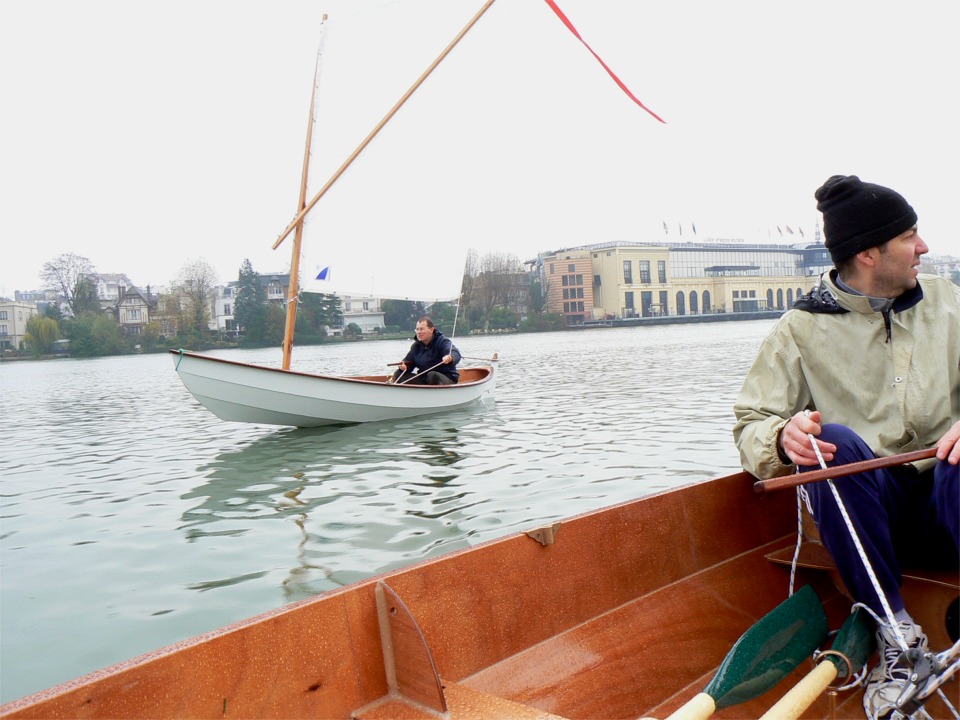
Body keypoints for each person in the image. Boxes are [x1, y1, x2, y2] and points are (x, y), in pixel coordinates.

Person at [732, 175, 960, 720]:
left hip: (952, 501)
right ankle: (898, 639)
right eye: (909, 236)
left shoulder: (952, 303)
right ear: (866, 253)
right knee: (825, 441)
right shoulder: (798, 330)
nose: (924, 248)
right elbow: (750, 424)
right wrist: (781, 437)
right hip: (871, 523)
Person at [392, 317, 461, 385]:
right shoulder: (416, 346)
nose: (419, 332)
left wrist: (450, 358)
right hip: (424, 379)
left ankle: (433, 394)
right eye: (417, 329)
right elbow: (409, 362)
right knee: (398, 374)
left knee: (432, 375)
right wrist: (404, 366)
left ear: (431, 330)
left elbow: (455, 353)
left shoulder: (442, 341)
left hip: (446, 378)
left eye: (422, 329)